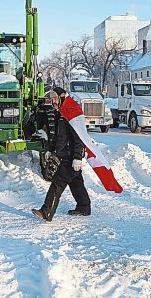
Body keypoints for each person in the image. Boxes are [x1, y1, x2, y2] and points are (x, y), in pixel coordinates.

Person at [32, 87, 91, 221]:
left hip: (70, 156)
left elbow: (79, 137)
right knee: (76, 182)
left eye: (55, 98)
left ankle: (46, 212)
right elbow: (59, 136)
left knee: (58, 183)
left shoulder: (72, 114)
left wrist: (77, 157)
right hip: (65, 153)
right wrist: (50, 150)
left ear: (63, 97)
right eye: (51, 99)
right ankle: (84, 206)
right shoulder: (61, 112)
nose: (53, 101)